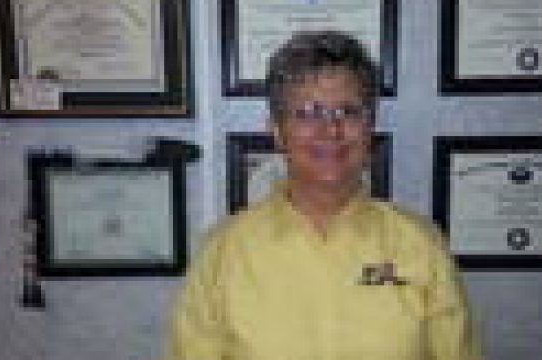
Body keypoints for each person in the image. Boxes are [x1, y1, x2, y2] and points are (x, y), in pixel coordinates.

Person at [162, 30, 483, 360]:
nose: (330, 130)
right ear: (277, 131)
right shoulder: (222, 252)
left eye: (348, 111)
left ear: (369, 126)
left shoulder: (421, 245)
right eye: (307, 112)